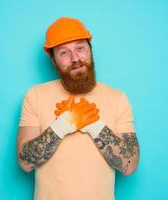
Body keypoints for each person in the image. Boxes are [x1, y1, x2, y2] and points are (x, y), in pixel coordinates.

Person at [16, 16, 140, 200]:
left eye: (80, 48)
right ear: (53, 60)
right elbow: (25, 162)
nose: (75, 58)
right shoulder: (35, 95)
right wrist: (63, 125)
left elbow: (129, 165)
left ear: (90, 50)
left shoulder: (117, 98)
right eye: (64, 52)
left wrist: (94, 125)